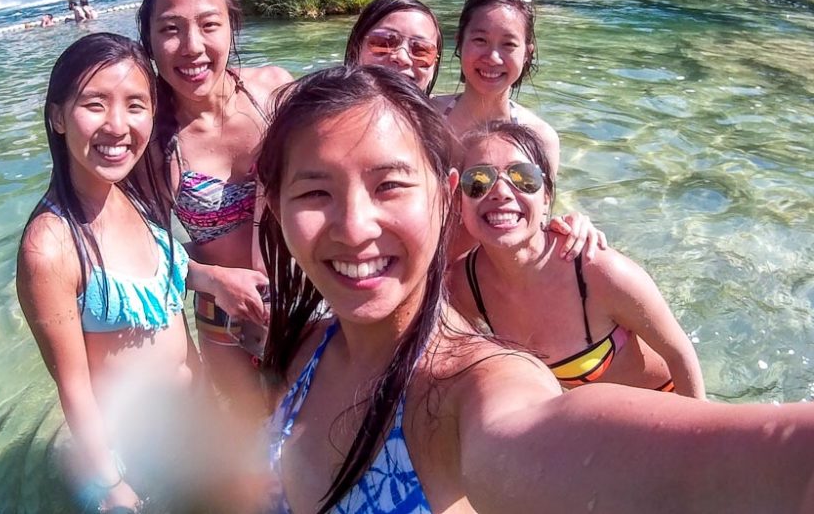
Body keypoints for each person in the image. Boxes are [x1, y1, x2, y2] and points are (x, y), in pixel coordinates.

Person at [257, 64, 814, 514]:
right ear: (275, 207)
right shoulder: (310, 342)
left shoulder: (472, 390)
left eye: (390, 186)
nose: (354, 227)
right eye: (314, 193)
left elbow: (539, 433)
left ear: (442, 199)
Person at [16, 33, 196, 512]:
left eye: (136, 105)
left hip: (188, 423)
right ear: (57, 116)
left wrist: (214, 278)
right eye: (95, 104)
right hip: (133, 455)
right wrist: (113, 486)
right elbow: (73, 388)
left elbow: (162, 281)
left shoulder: (134, 193)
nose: (118, 125)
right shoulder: (50, 248)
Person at [137, 0, 292, 421]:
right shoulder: (149, 142)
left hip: (306, 300)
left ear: (232, 26)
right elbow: (138, 253)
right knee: (258, 460)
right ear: (148, 41)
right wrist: (212, 279)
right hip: (224, 323)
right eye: (170, 29)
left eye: (209, 25)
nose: (193, 48)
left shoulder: (276, 93)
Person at [448, 121, 706, 397]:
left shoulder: (598, 271)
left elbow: (680, 355)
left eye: (523, 177)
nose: (500, 191)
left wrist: (697, 436)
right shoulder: (466, 285)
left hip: (664, 402)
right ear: (457, 199)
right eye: (478, 181)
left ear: (546, 197)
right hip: (588, 421)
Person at [433, 0, 560, 177]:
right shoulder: (427, 118)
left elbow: (542, 207)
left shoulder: (541, 139)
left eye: (508, 44)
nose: (492, 57)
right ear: (459, 42)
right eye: (480, 40)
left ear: (527, 53)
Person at [344, 0, 443, 94]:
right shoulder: (328, 106)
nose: (402, 58)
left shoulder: (447, 109)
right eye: (384, 43)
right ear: (355, 49)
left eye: (420, 50)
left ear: (435, 65)